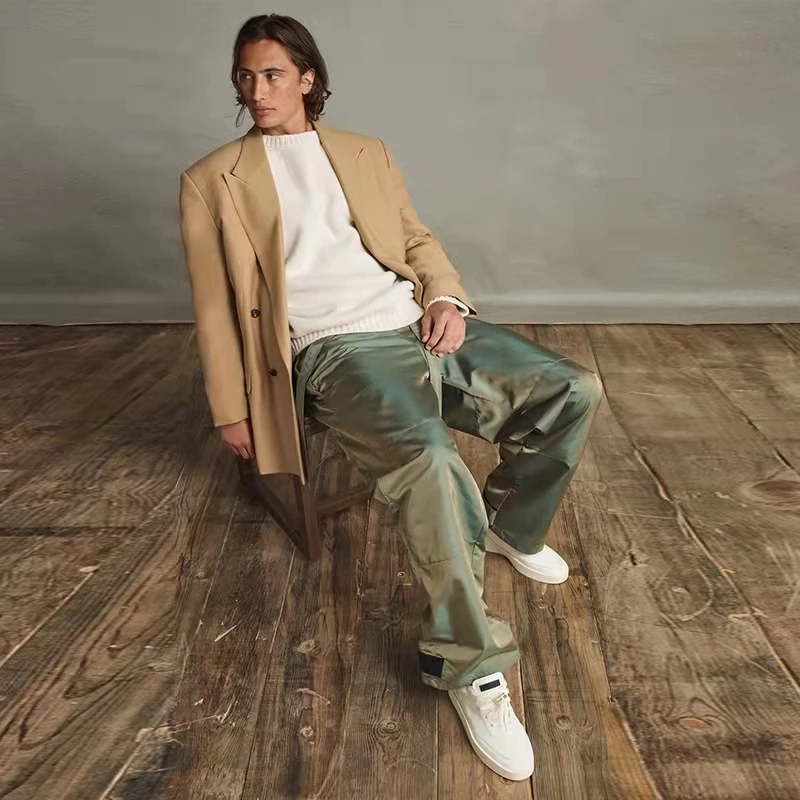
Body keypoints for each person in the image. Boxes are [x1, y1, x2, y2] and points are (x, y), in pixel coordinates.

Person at [179, 14, 602, 782]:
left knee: (570, 387)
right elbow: (213, 304)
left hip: (414, 320)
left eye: (273, 74)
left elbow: (413, 238)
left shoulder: (363, 151)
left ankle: (509, 525)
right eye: (245, 76)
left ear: (307, 78)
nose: (256, 90)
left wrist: (443, 295)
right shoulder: (213, 179)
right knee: (431, 460)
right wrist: (230, 408)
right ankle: (472, 666)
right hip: (334, 348)